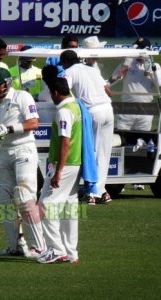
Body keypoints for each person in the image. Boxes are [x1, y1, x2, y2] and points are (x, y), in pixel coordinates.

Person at [0, 68, 45, 257]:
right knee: (4, 200)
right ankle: (15, 246)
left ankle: (39, 247)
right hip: (4, 152)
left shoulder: (22, 97)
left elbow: (33, 123)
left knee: (24, 196)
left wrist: (9, 128)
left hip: (24, 148)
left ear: (8, 82)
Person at [37, 77, 81, 264]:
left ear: (55, 93)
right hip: (74, 163)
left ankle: (57, 250)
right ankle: (71, 253)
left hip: (64, 165)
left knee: (46, 205)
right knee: (69, 209)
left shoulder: (63, 112)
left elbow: (65, 142)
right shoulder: (76, 107)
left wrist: (58, 171)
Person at [61, 50, 114, 204]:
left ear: (64, 62)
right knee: (104, 153)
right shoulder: (92, 69)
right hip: (108, 110)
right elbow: (108, 91)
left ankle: (93, 192)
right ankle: (102, 190)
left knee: (92, 152)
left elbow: (64, 91)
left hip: (92, 112)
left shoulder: (68, 71)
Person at [109, 37, 155, 190]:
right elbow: (113, 80)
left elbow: (159, 84)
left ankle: (138, 178)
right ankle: (118, 178)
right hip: (126, 108)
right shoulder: (128, 63)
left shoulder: (154, 65)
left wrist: (151, 71)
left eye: (143, 49)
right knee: (122, 142)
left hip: (145, 109)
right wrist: (124, 66)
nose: (140, 53)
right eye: (138, 49)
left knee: (141, 143)